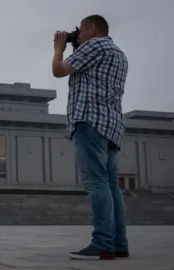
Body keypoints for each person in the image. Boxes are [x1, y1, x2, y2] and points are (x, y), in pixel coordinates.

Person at [52, 15, 129, 260]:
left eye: (81, 31)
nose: (79, 35)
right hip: (111, 125)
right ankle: (118, 244)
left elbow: (58, 71)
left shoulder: (95, 45)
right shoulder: (119, 53)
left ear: (92, 29)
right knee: (110, 185)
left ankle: (103, 243)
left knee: (96, 183)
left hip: (90, 122)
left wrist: (58, 49)